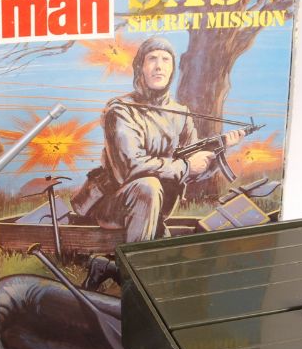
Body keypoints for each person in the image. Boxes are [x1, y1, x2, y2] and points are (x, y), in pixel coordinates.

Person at [73, 37, 243, 243]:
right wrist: (186, 167)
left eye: (165, 60)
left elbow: (193, 168)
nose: (159, 66)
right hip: (112, 205)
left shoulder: (180, 113)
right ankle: (137, 259)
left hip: (159, 207)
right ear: (140, 67)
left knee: (151, 189)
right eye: (152, 59)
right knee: (148, 186)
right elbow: (129, 168)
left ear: (172, 69)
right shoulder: (121, 110)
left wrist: (217, 153)